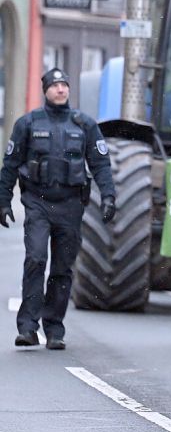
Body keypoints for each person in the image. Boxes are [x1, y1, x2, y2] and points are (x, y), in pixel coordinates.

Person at [0, 68, 116, 349]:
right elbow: (11, 164)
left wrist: (109, 196)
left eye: (65, 85)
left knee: (62, 269)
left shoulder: (85, 125)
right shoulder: (27, 123)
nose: (61, 90)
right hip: (38, 203)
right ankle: (28, 328)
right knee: (36, 259)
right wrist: (3, 200)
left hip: (71, 205)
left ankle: (54, 329)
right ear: (46, 91)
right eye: (55, 86)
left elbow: (100, 164)